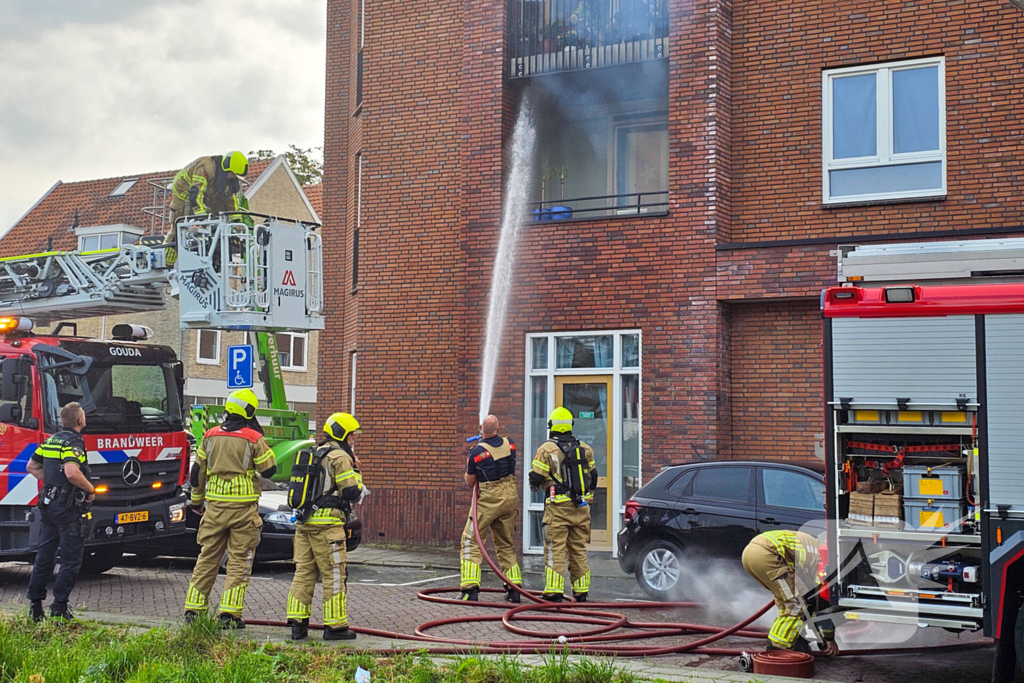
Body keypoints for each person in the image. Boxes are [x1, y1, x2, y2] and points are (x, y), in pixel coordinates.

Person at [184, 388, 276, 628]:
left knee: (206, 558)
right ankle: (229, 615)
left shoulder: (209, 435)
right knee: (239, 561)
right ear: (249, 411)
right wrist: (260, 438)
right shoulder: (253, 438)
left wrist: (196, 502)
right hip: (243, 511)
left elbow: (197, 474)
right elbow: (270, 470)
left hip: (214, 508)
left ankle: (193, 610)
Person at [285, 412, 365, 641]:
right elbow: (351, 492)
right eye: (352, 436)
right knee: (334, 575)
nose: (353, 441)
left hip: (305, 525)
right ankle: (335, 627)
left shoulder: (314, 453)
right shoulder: (339, 457)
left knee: (303, 574)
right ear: (342, 434)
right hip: (328, 527)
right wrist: (357, 472)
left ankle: (297, 626)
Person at [25, 402, 95, 622]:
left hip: (48, 506)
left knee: (44, 557)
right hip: (68, 509)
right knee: (70, 560)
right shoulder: (73, 442)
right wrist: (90, 489)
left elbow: (32, 467)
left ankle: (35, 607)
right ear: (80, 421)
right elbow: (73, 472)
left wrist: (54, 483)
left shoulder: (50, 440)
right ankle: (59, 607)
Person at [528, 407, 597, 602]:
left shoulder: (546, 450)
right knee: (578, 549)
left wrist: (535, 482)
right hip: (581, 508)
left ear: (551, 426)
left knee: (554, 548)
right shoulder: (585, 449)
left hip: (557, 509)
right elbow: (593, 477)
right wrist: (587, 497)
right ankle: (581, 591)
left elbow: (535, 477)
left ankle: (554, 592)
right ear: (570, 426)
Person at [741, 529, 838, 656]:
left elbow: (812, 601)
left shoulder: (816, 548)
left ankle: (793, 640)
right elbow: (822, 602)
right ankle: (778, 649)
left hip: (751, 552)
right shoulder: (827, 561)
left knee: (788, 600)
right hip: (768, 554)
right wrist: (828, 637)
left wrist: (818, 634)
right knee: (796, 604)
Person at [458, 414, 523, 603]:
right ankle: (514, 588)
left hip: (489, 499)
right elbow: (501, 455)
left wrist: (472, 459)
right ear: (498, 427)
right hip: (510, 497)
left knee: (470, 540)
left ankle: (470, 589)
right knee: (505, 542)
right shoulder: (510, 444)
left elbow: (470, 482)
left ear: (480, 429)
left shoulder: (476, 452)